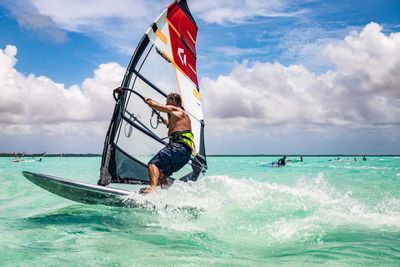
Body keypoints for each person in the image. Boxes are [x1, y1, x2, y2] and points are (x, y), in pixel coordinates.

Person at [140, 93, 194, 194]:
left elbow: (154, 105)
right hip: (186, 153)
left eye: (167, 100)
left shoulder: (175, 109)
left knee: (153, 164)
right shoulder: (183, 114)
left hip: (177, 147)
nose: (166, 102)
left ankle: (152, 189)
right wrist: (166, 123)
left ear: (174, 101)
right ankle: (165, 194)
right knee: (161, 173)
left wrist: (148, 100)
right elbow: (175, 126)